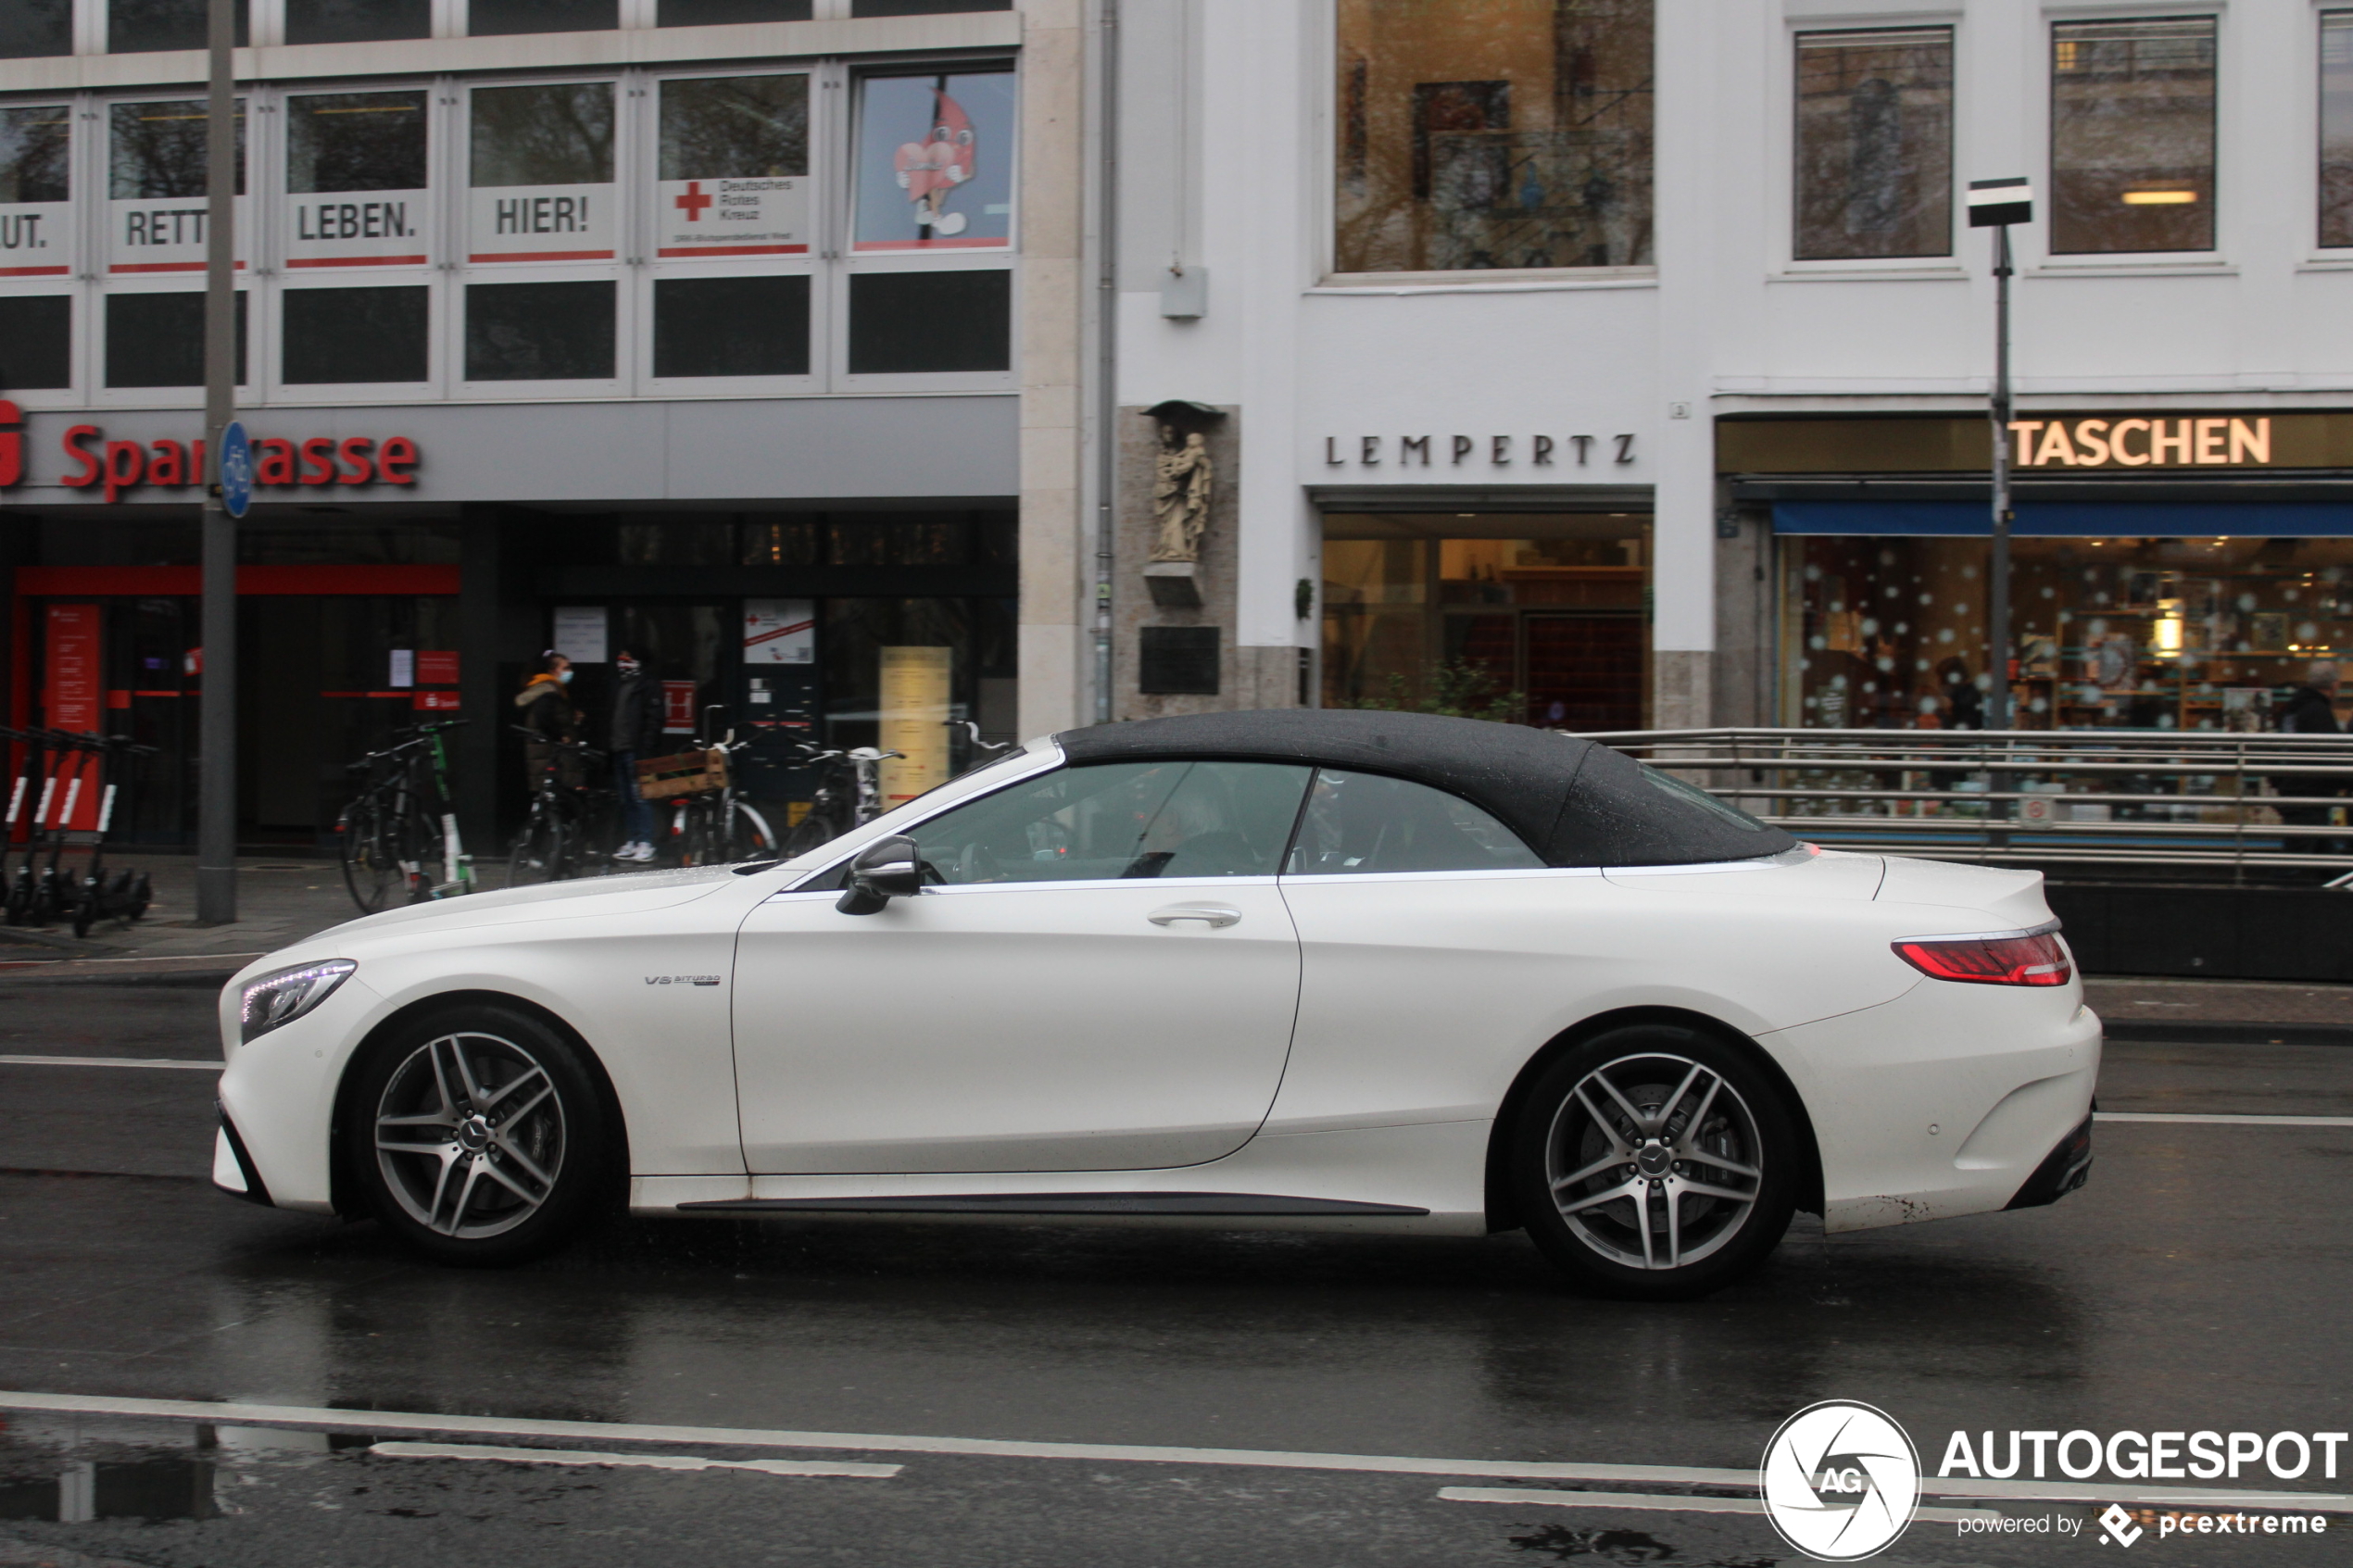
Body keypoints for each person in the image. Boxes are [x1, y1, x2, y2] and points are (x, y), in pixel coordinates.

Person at [608, 649, 664, 863]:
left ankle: (646, 842)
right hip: (619, 749)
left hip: (636, 751)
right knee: (627, 799)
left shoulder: (648, 685)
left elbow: (654, 719)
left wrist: (646, 748)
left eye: (627, 660)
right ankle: (633, 840)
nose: (622, 664)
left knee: (641, 798)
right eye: (620, 659)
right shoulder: (620, 685)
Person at [515, 652, 579, 795]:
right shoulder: (549, 690)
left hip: (544, 752)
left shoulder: (545, 688)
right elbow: (543, 717)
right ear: (552, 670)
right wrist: (561, 736)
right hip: (550, 752)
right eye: (565, 668)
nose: (569, 672)